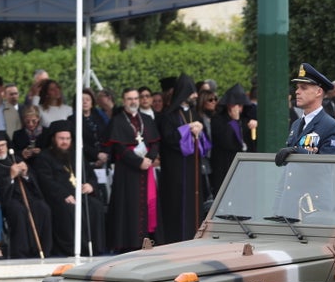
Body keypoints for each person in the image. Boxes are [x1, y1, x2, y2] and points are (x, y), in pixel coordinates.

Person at [32, 120, 107, 256]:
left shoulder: (76, 155)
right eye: (61, 138)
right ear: (53, 139)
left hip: (80, 195)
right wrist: (63, 195)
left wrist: (91, 185)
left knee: (95, 206)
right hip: (58, 197)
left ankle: (94, 248)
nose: (65, 142)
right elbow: (46, 181)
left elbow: (90, 174)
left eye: (67, 138)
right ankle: (72, 249)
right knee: (69, 209)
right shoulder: (44, 157)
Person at [105, 87, 160, 251]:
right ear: (123, 101)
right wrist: (138, 162)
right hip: (127, 172)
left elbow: (155, 142)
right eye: (130, 99)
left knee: (147, 204)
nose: (134, 101)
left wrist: (149, 159)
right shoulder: (118, 121)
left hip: (146, 169)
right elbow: (119, 148)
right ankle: (128, 242)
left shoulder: (147, 119)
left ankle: (146, 239)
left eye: (135, 98)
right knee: (127, 205)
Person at [156, 74, 208, 244]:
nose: (195, 96)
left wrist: (200, 129)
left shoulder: (194, 113)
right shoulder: (169, 115)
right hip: (176, 167)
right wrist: (187, 129)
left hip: (192, 165)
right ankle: (176, 237)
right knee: (176, 202)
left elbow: (203, 139)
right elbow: (169, 138)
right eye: (192, 92)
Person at [0, 129, 53, 258]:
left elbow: (33, 181)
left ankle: (42, 249)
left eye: (2, 145)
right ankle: (21, 251)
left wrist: (26, 174)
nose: (0, 149)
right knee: (18, 211)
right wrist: (10, 177)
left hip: (26, 197)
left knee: (43, 208)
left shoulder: (15, 159)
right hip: (6, 199)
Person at [279, 63, 335, 162]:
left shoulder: (331, 127)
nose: (297, 91)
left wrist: (297, 152)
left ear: (318, 92)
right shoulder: (296, 124)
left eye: (303, 88)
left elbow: (328, 166)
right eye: (297, 87)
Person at [211, 84, 254, 189]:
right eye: (237, 105)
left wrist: (254, 126)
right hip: (224, 164)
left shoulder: (245, 120)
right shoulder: (218, 120)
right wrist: (234, 120)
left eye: (241, 106)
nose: (239, 109)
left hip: (243, 167)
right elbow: (226, 141)